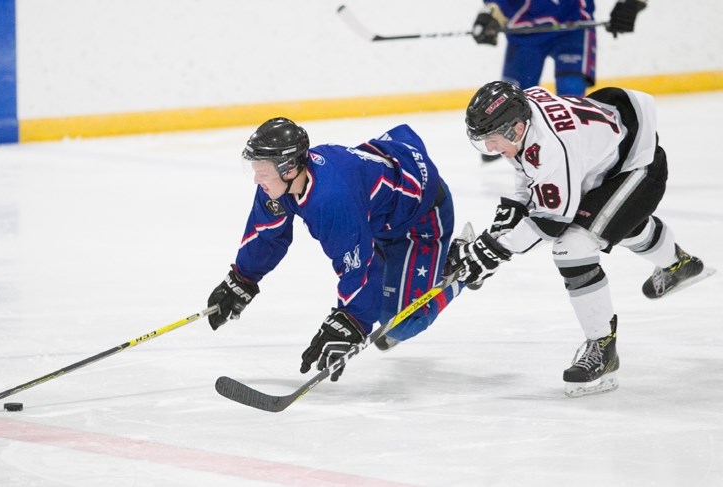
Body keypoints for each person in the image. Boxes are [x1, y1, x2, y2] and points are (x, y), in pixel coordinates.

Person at [445, 81, 713, 397]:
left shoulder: (550, 146)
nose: (490, 149)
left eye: (492, 140)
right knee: (613, 223)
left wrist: (494, 252)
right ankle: (678, 265)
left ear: (515, 128)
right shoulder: (524, 118)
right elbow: (529, 185)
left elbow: (551, 221)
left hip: (637, 167)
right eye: (483, 142)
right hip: (608, 155)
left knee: (573, 246)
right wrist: (493, 243)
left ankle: (603, 347)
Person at [206, 118, 461, 381]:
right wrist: (242, 278)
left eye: (263, 171)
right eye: (255, 170)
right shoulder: (278, 184)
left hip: (420, 218)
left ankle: (459, 265)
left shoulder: (331, 200)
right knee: (381, 304)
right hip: (375, 219)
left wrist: (352, 320)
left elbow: (357, 264)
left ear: (290, 168)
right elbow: (267, 236)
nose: (257, 179)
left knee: (401, 323)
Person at [471, 0, 648, 162]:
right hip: (523, 31)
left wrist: (631, 3)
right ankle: (512, 143)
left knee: (570, 95)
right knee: (511, 100)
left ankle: (568, 150)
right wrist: (491, 14)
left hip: (573, 27)